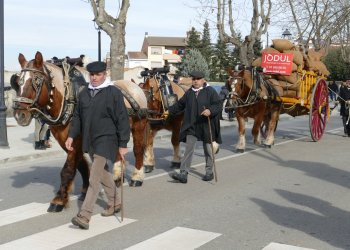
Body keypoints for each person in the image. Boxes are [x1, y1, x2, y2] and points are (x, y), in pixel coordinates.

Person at [65, 61, 130, 229]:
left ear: (105, 74)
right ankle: (115, 202)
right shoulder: (84, 93)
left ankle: (84, 216)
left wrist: (123, 144)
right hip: (90, 140)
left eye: (98, 74)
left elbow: (122, 119)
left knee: (93, 178)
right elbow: (78, 116)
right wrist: (71, 135)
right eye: (91, 75)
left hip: (107, 139)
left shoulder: (113, 93)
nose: (94, 77)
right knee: (102, 174)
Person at [167, 70, 222, 183]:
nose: (195, 81)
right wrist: (168, 111)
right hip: (192, 125)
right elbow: (179, 105)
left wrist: (210, 110)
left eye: (198, 79)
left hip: (206, 124)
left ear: (203, 80)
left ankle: (209, 172)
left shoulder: (210, 91)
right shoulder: (189, 93)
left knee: (208, 149)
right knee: (188, 149)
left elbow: (218, 104)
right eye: (194, 79)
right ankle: (183, 173)